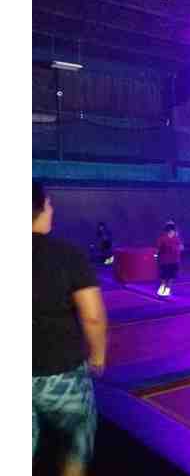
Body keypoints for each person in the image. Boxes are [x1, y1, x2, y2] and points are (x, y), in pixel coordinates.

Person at [33, 182, 108, 476]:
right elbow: (93, 316)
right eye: (50, 204)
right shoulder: (67, 255)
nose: (52, 210)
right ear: (41, 208)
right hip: (61, 372)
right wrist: (98, 356)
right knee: (77, 439)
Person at [156, 221, 183, 296]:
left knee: (168, 277)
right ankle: (164, 290)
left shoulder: (174, 238)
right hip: (168, 261)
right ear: (171, 231)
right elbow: (158, 249)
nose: (174, 232)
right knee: (167, 277)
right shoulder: (165, 238)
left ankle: (164, 290)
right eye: (173, 231)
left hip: (171, 261)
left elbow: (180, 248)